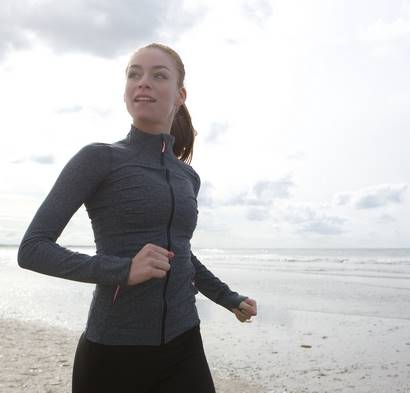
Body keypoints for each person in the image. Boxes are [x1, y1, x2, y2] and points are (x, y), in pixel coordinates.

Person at [17, 42, 257, 393]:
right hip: (114, 352)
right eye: (134, 74)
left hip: (184, 343)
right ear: (126, 91)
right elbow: (33, 249)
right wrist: (123, 270)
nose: (143, 82)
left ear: (180, 95)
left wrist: (228, 298)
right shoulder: (99, 158)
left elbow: (182, 254)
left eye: (158, 75)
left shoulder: (187, 177)